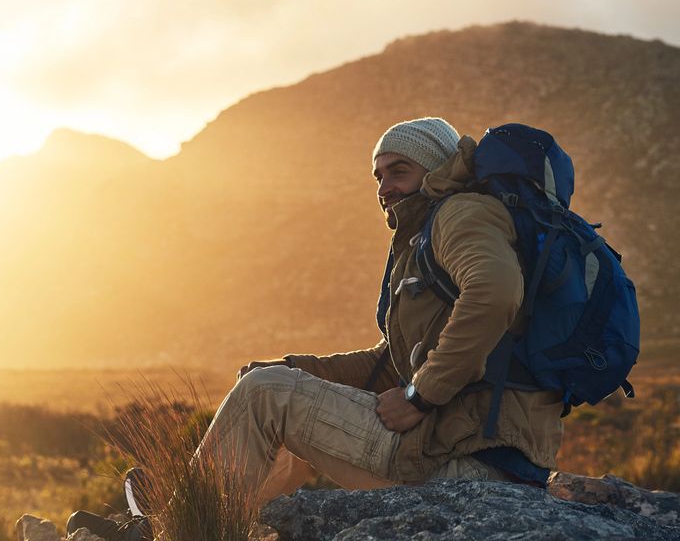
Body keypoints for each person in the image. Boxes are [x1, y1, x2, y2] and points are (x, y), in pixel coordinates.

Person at [68, 117, 564, 540]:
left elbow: (495, 294)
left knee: (266, 395)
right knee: (275, 401)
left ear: (434, 168)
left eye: (399, 171)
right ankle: (197, 518)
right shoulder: (426, 235)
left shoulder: (461, 214)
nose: (384, 186)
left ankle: (172, 528)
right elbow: (390, 361)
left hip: (471, 463)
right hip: (461, 450)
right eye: (378, 175)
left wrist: (420, 396)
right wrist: (296, 369)